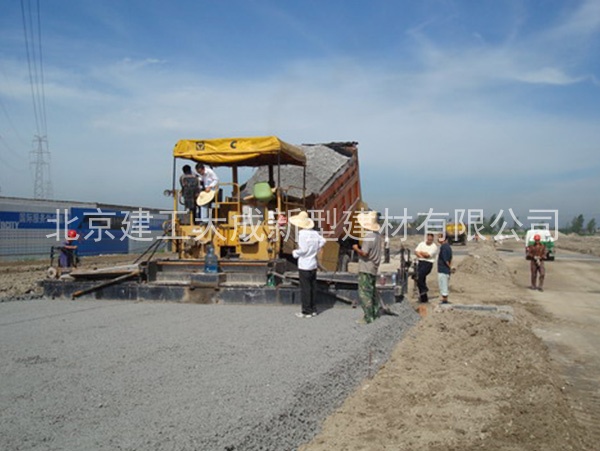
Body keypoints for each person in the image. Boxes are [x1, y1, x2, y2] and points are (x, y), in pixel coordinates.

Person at [290, 211, 326, 318]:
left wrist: (295, 253)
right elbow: (323, 241)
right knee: (312, 287)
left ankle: (306, 311)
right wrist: (316, 249)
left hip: (304, 265)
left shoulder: (302, 234)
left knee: (305, 288)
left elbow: (304, 249)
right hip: (313, 264)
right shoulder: (314, 233)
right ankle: (313, 309)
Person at [352, 211, 382, 324]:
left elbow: (365, 253)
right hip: (374, 266)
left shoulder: (368, 236)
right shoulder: (377, 235)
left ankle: (368, 317)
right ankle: (374, 313)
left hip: (366, 267)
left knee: (364, 293)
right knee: (372, 291)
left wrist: (356, 248)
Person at [414, 233, 438, 303]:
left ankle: (424, 289)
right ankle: (423, 297)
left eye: (430, 239)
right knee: (420, 279)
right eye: (428, 238)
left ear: (432, 239)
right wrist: (421, 254)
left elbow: (428, 255)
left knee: (420, 277)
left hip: (428, 263)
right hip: (420, 262)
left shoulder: (434, 246)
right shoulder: (422, 244)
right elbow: (416, 251)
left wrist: (421, 253)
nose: (429, 240)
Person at [437, 233, 453, 304]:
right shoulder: (447, 247)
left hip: (443, 269)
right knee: (444, 284)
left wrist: (450, 267)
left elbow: (446, 259)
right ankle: (444, 299)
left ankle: (445, 300)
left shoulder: (444, 247)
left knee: (443, 284)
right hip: (445, 270)